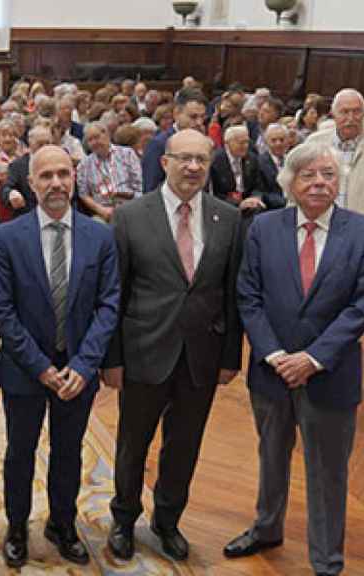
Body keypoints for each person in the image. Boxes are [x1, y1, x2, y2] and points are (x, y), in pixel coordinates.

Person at [229, 141, 364, 576]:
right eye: (308, 175)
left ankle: (327, 560)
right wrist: (277, 355)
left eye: (328, 174)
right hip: (272, 373)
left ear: (339, 182)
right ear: (290, 183)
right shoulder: (263, 228)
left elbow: (361, 306)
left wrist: (313, 359)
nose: (319, 182)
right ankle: (266, 528)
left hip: (330, 376)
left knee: (328, 472)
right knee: (271, 457)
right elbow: (249, 296)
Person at [103, 130, 243, 562]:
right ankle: (124, 520)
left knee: (184, 445)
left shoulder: (228, 218)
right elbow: (115, 293)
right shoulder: (130, 217)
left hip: (201, 356)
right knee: (132, 444)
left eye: (202, 159)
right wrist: (112, 359)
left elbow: (232, 294)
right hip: (144, 351)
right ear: (164, 163)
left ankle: (167, 521)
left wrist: (230, 357)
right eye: (184, 158)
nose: (193, 168)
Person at [0, 145, 120, 568]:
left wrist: (84, 365)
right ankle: (16, 525)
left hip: (78, 369)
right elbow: (1, 310)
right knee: (19, 452)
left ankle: (62, 523)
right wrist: (41, 368)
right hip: (26, 370)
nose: (57, 183)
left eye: (64, 173)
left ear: (74, 177)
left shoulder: (100, 235)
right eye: (46, 176)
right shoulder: (9, 237)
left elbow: (109, 304)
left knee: (69, 452)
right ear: (31, 183)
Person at [306, 89, 364, 228]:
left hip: (362, 228)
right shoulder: (314, 142)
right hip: (318, 225)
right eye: (344, 112)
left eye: (356, 112)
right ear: (333, 115)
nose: (351, 118)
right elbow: (298, 183)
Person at [142, 89, 209, 193]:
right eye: (193, 117)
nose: (199, 122)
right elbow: (151, 188)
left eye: (202, 117)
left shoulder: (204, 142)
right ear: (176, 114)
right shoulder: (159, 144)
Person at [75, 122, 142, 223]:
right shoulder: (84, 165)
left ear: (107, 135)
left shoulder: (127, 154)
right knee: (96, 224)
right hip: (103, 211)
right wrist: (101, 210)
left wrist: (128, 202)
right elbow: (83, 194)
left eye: (96, 137)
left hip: (130, 206)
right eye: (90, 140)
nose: (94, 143)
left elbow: (138, 186)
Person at [1, 125, 54, 218]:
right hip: (27, 214)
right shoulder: (17, 165)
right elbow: (6, 188)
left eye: (48, 143)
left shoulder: (58, 162)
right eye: (40, 144)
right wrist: (12, 193)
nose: (45, 148)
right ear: (30, 143)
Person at [210, 125, 264, 212]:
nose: (245, 146)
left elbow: (258, 186)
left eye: (247, 142)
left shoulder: (252, 158)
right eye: (241, 143)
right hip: (225, 206)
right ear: (227, 143)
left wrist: (255, 198)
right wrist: (238, 204)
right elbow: (215, 194)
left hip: (250, 204)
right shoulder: (215, 161)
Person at [255, 124, 291, 211]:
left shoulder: (293, 159)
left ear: (288, 141)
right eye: (274, 140)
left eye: (282, 140)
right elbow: (262, 192)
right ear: (267, 142)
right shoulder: (259, 163)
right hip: (274, 208)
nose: (278, 143)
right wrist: (286, 202)